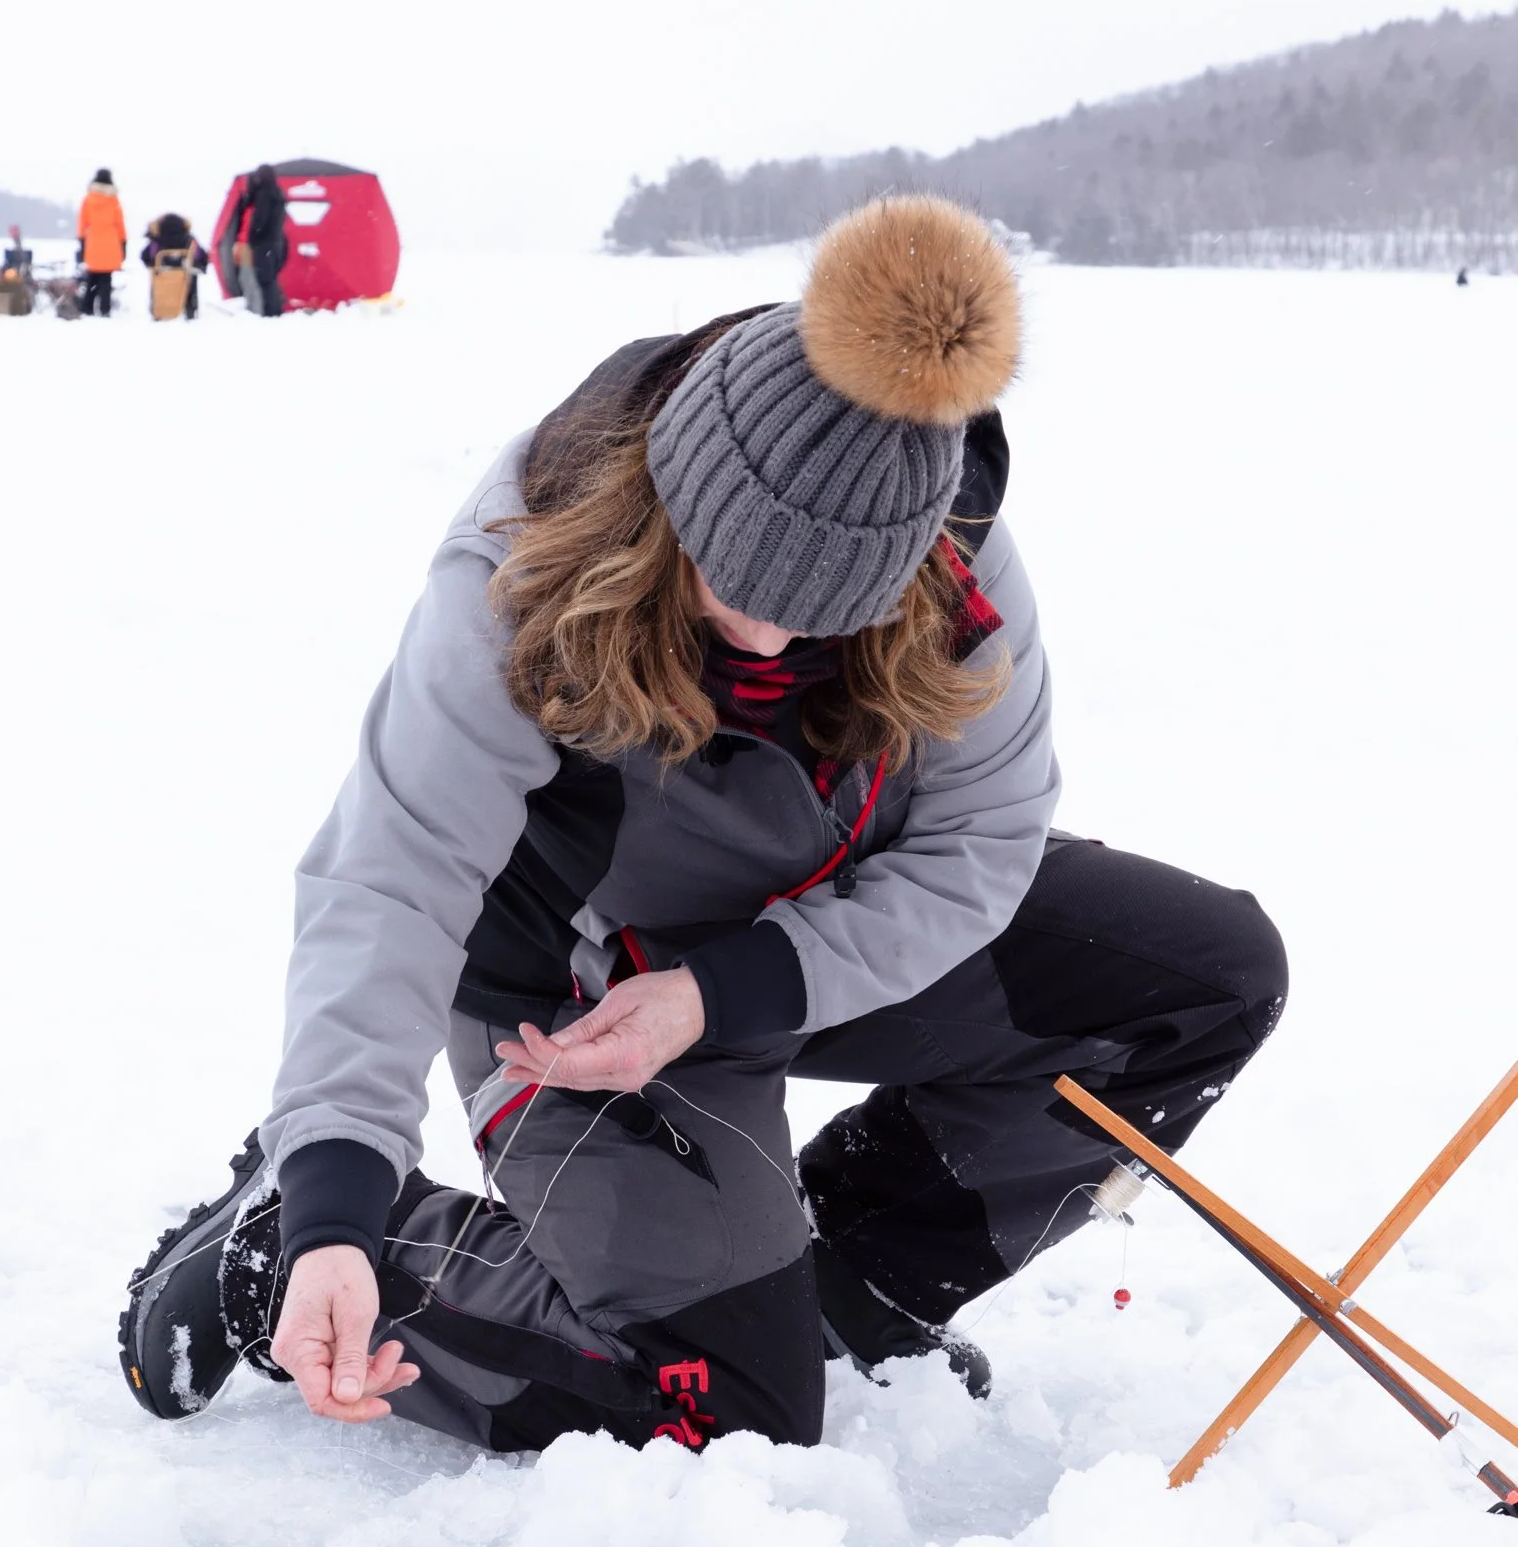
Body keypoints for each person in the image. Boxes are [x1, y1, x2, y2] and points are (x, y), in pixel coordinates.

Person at [120, 197, 1287, 1454]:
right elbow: (392, 881)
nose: (773, 643)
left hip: (789, 953)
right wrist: (333, 1193)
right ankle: (285, 1241)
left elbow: (982, 845)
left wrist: (725, 989)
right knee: (717, 1415)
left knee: (1201, 981)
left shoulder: (953, 558)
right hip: (572, 1002)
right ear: (675, 505)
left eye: (823, 616)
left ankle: (846, 1284)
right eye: (738, 597)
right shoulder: (520, 566)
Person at [232, 163, 287, 316]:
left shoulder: (264, 195)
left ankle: (260, 312)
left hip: (257, 245)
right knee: (257, 279)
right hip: (263, 244)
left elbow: (259, 222)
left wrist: (253, 238)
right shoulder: (274, 195)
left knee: (256, 280)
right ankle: (264, 311)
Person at [141, 212, 210, 321]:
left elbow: (146, 256)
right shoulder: (189, 238)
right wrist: (201, 265)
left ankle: (159, 310)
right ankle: (190, 309)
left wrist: (151, 265)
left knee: (157, 279)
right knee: (191, 277)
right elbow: (200, 255)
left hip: (163, 272)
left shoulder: (156, 239)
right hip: (185, 271)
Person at [76, 168, 126, 317]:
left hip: (93, 242)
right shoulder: (113, 200)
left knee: (91, 277)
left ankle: (87, 308)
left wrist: (82, 241)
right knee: (106, 279)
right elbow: (120, 224)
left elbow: (82, 223)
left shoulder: (88, 199)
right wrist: (124, 244)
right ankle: (105, 309)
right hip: (111, 243)